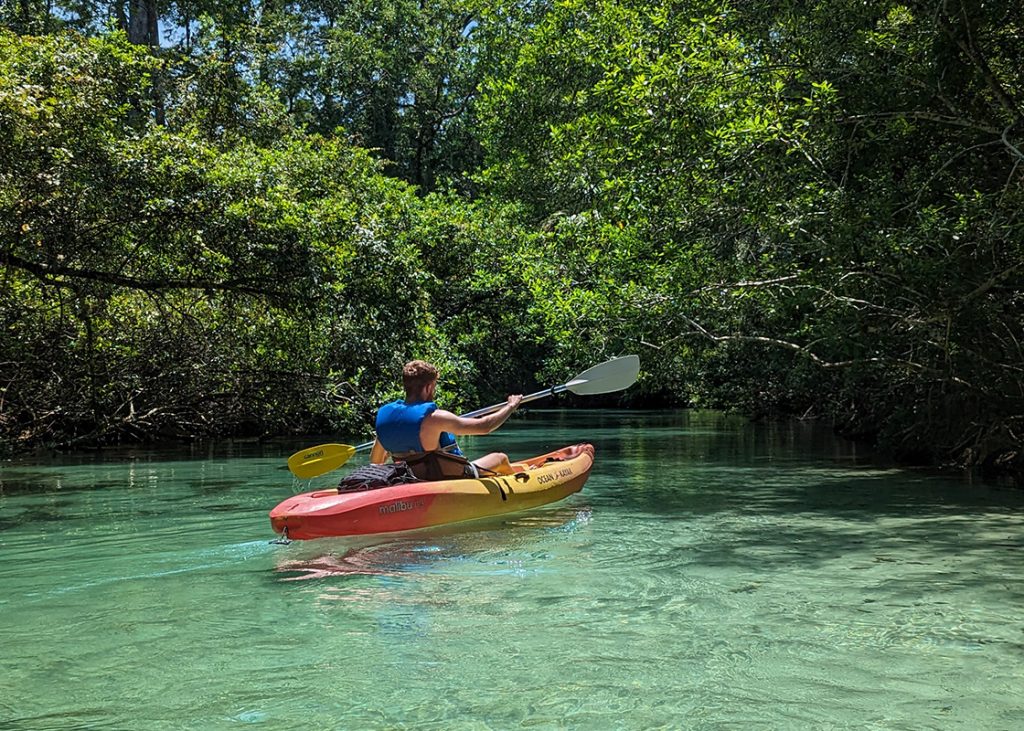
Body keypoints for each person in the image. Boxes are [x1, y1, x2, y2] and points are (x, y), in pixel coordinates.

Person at [373, 360, 523, 480]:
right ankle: (519, 482)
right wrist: (511, 406)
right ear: (428, 387)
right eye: (434, 386)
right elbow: (485, 426)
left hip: (408, 477)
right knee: (501, 458)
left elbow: (376, 462)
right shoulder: (434, 418)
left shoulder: (386, 418)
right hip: (447, 476)